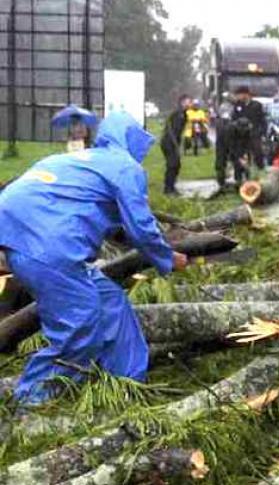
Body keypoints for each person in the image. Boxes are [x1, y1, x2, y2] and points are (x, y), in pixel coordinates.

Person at [0, 112, 189, 404]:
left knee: (110, 301)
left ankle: (126, 382)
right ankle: (31, 403)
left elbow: (111, 223)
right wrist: (167, 257)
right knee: (81, 322)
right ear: (131, 141)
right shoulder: (124, 166)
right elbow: (141, 227)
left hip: (18, 238)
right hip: (49, 245)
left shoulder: (78, 161)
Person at [216, 86, 268, 186]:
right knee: (238, 155)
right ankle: (238, 177)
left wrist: (261, 132)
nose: (238, 97)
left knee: (257, 151)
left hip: (254, 133)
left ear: (246, 94)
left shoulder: (257, 105)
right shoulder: (237, 106)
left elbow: (262, 120)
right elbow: (234, 119)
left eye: (239, 95)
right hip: (240, 134)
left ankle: (260, 171)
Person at [161, 95, 191, 195]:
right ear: (182, 102)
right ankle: (168, 189)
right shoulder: (178, 114)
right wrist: (175, 145)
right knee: (172, 164)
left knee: (176, 165)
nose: (189, 104)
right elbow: (172, 130)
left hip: (174, 142)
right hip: (169, 142)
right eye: (187, 102)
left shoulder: (184, 114)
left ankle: (172, 187)